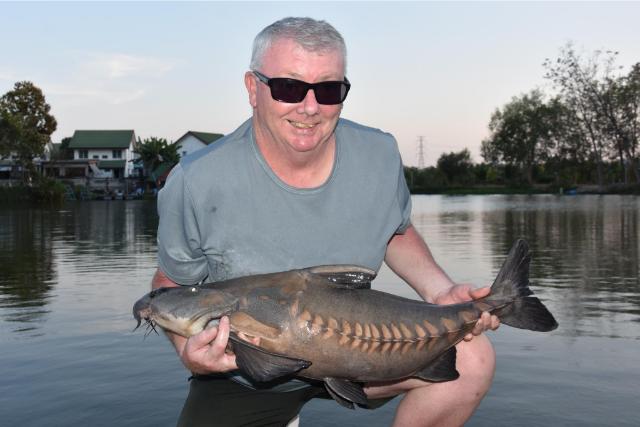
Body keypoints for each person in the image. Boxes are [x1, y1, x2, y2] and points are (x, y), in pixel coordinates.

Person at [152, 17, 499, 427]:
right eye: (289, 87)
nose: (310, 107)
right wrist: (189, 351)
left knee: (472, 357)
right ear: (253, 88)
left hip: (363, 352)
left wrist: (440, 290)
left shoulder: (379, 154)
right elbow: (170, 285)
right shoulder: (196, 180)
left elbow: (394, 230)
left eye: (329, 90)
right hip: (246, 373)